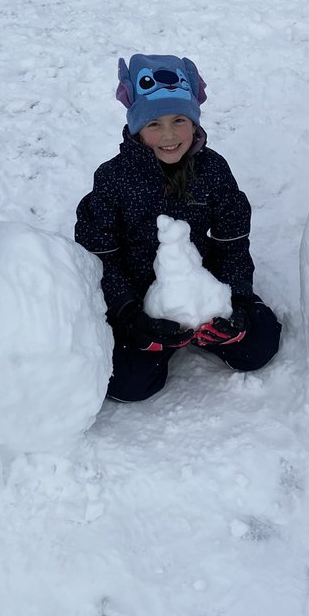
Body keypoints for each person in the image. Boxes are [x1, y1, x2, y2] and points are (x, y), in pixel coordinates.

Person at [75, 55, 282, 402]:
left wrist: (238, 301)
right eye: (154, 123)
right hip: (141, 301)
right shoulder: (114, 179)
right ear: (137, 126)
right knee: (127, 383)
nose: (169, 135)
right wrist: (128, 313)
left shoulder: (213, 171)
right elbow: (100, 258)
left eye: (179, 120)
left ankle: (214, 333)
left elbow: (232, 245)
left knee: (259, 345)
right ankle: (151, 338)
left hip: (202, 292)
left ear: (195, 121)